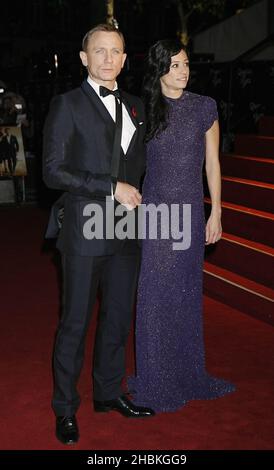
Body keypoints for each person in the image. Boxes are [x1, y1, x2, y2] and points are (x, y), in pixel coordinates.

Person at [43, 24, 155, 445]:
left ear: (125, 59)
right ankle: (65, 408)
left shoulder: (137, 106)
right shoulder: (67, 104)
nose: (109, 59)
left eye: (116, 52)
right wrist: (109, 186)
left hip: (127, 227)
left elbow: (139, 167)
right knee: (75, 322)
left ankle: (109, 394)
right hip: (84, 226)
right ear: (84, 57)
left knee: (118, 317)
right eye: (100, 51)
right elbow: (53, 171)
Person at [127, 39, 236, 413]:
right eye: (174, 65)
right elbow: (126, 163)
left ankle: (188, 373)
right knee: (155, 296)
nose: (183, 71)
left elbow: (212, 165)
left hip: (190, 213)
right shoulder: (141, 109)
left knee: (186, 295)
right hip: (156, 215)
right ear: (158, 69)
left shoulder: (205, 108)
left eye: (186, 64)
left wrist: (216, 212)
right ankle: (156, 379)